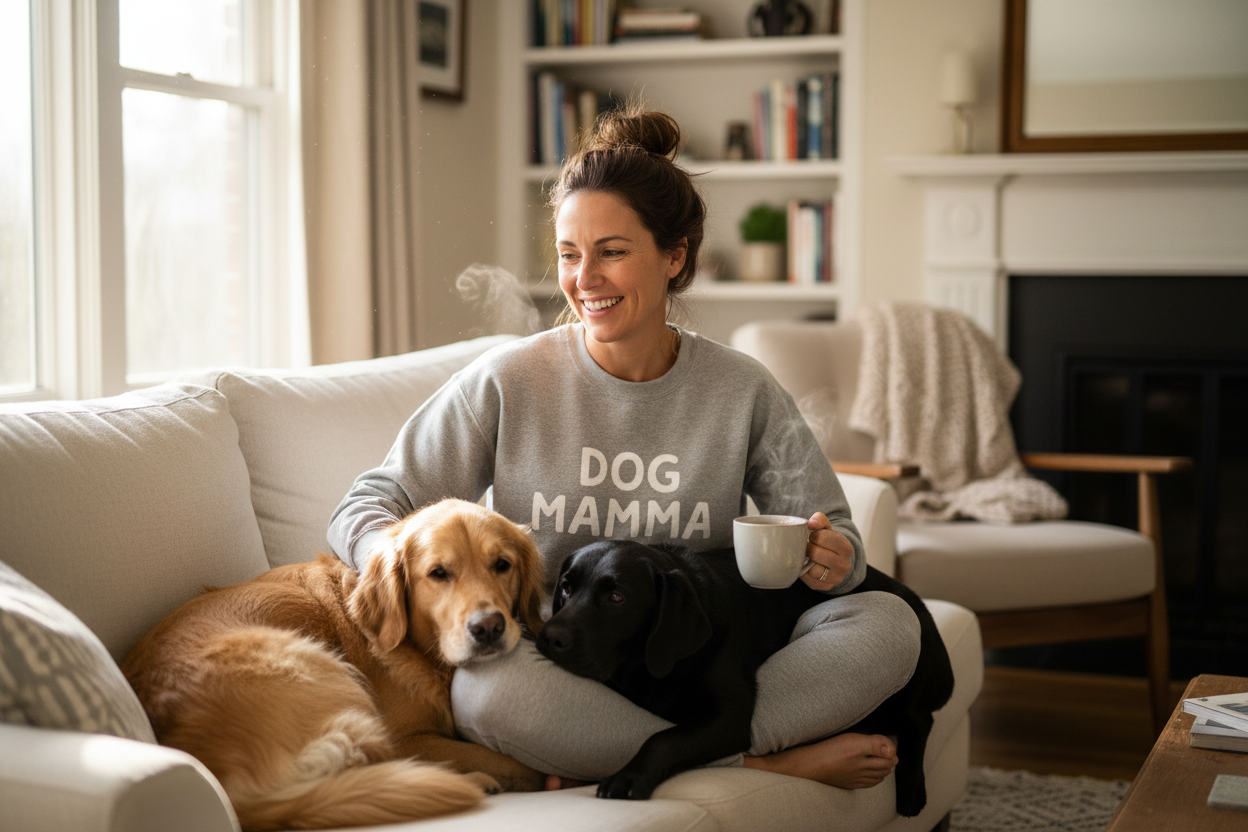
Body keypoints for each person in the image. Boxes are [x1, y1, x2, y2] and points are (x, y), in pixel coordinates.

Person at [328, 104, 920, 793]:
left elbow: (837, 543)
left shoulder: (741, 389)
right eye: (568, 255)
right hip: (559, 666)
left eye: (611, 252)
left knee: (890, 623)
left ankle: (666, 751)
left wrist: (832, 561)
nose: (584, 280)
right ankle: (759, 762)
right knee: (487, 694)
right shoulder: (506, 381)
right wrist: (391, 561)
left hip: (693, 667)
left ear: (674, 256)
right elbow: (365, 506)